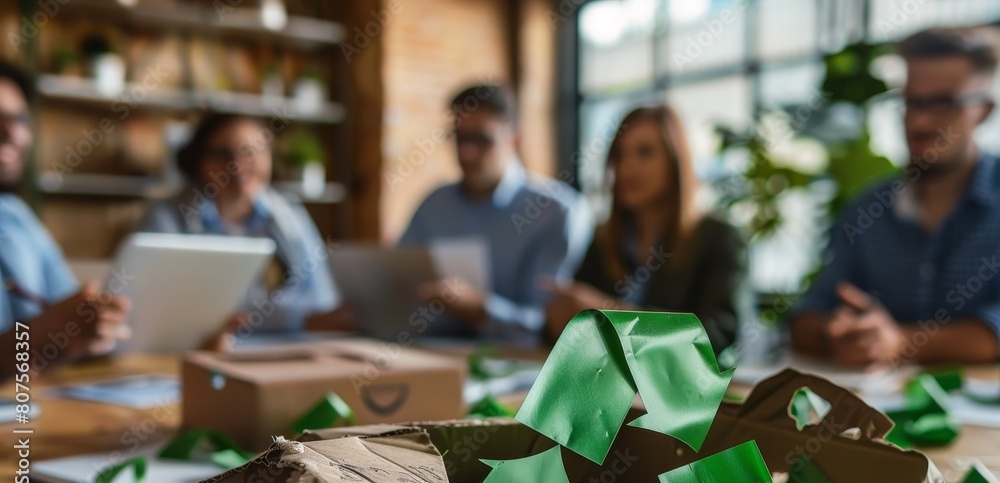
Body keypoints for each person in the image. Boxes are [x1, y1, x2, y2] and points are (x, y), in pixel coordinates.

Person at [790, 26, 1000, 367]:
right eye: (910, 102)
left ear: (984, 110)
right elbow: (806, 317)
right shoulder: (867, 210)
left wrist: (899, 342)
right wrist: (838, 332)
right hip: (875, 414)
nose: (920, 121)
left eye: (944, 103)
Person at [545, 105, 748, 364]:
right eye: (619, 155)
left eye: (645, 152)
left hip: (685, 395)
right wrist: (559, 320)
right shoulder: (605, 240)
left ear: (676, 161)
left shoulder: (720, 238)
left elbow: (717, 337)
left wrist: (613, 312)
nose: (627, 167)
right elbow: (568, 332)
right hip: (613, 387)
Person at [398, 84, 592, 342]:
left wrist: (482, 310)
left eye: (481, 139)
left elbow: (550, 325)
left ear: (515, 139)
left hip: (517, 366)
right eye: (459, 138)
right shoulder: (434, 204)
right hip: (424, 349)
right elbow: (397, 286)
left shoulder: (557, 211)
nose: (467, 153)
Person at [140, 113, 348, 341]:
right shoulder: (167, 217)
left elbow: (321, 297)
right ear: (199, 160)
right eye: (222, 154)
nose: (237, 165)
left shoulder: (289, 215)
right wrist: (294, 318)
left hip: (287, 347)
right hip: (193, 349)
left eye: (250, 152)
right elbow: (157, 306)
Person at [0, 61, 130, 374]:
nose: (13, 133)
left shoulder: (17, 218)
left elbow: (66, 315)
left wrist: (91, 331)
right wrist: (41, 332)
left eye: (20, 120)